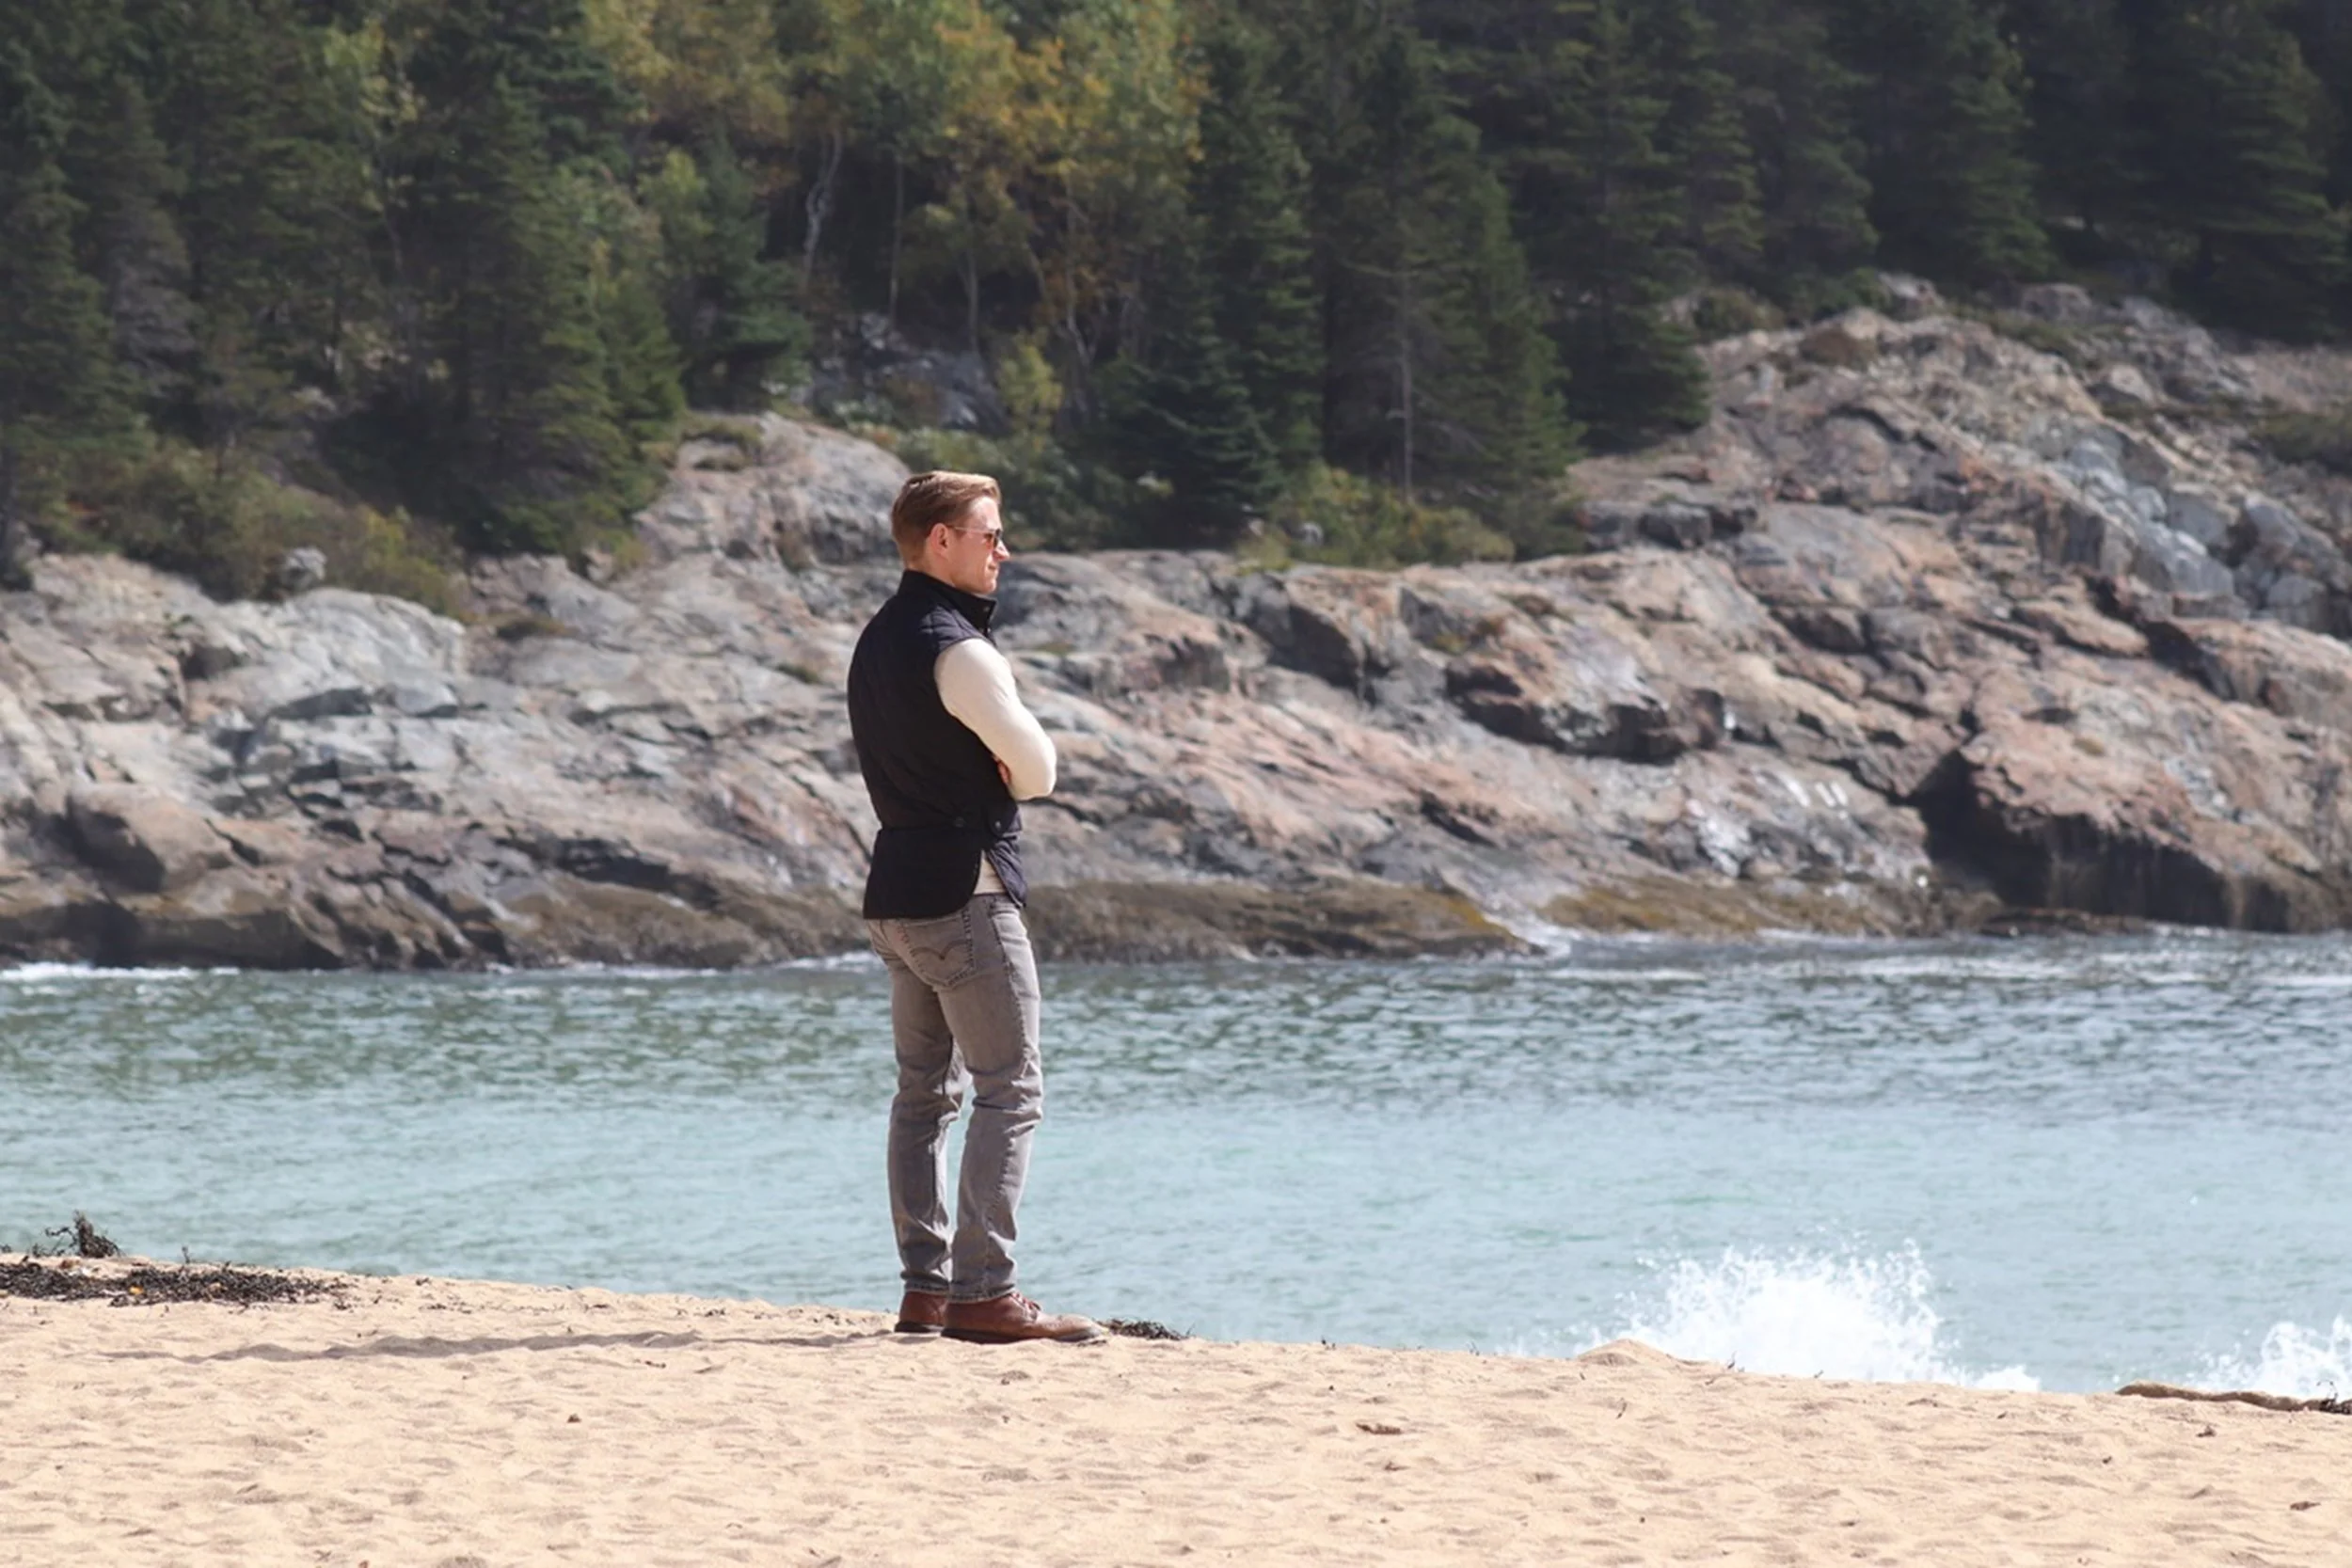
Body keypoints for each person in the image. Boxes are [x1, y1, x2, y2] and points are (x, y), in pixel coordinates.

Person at [846, 470, 1104, 1346]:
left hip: (895, 894)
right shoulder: (959, 650)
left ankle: (927, 1289)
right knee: (1011, 1088)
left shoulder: (877, 641)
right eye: (989, 534)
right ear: (939, 542)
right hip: (966, 892)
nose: (1004, 551)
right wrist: (1004, 767)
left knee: (922, 1097)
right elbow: (1038, 772)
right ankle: (986, 1291)